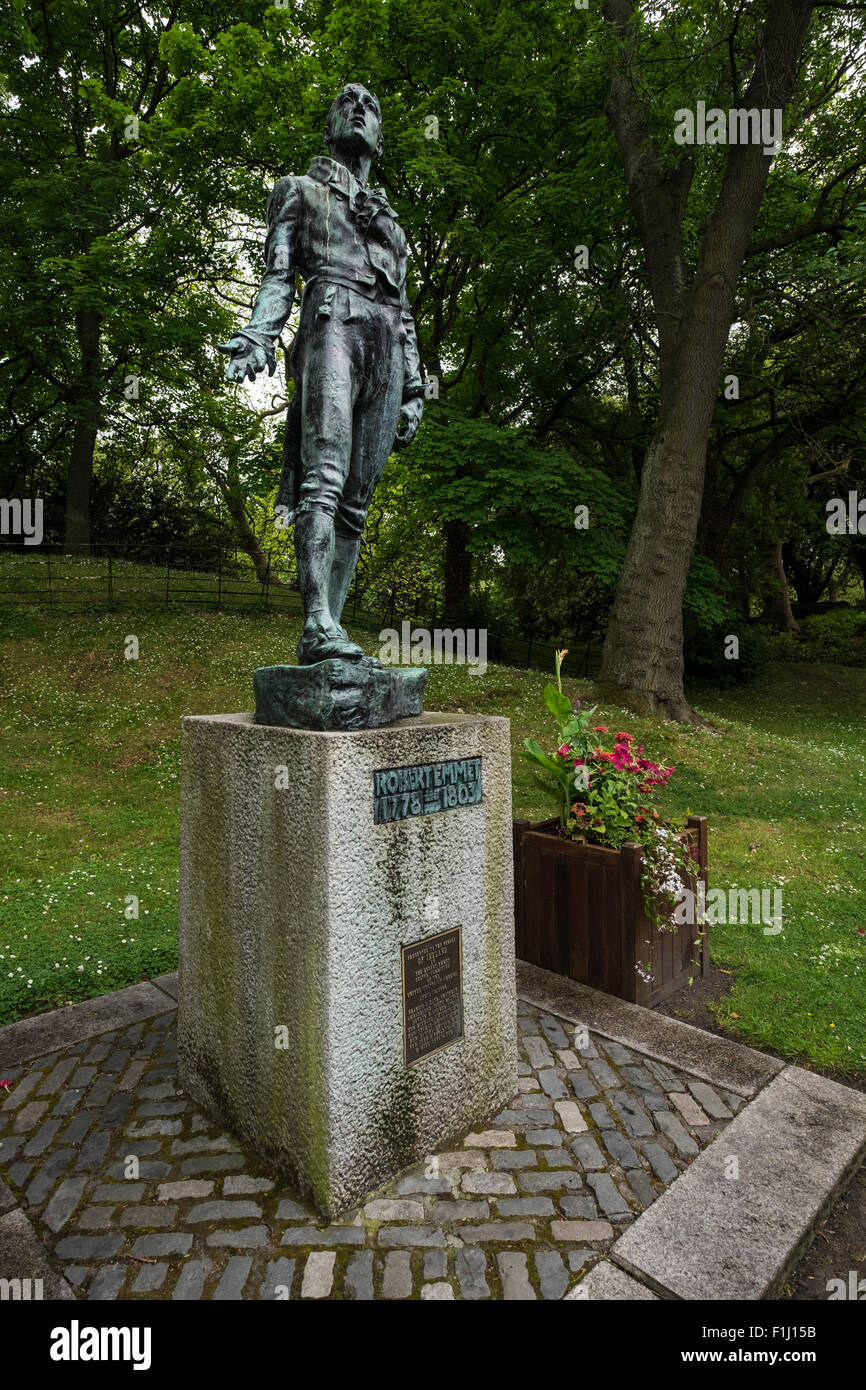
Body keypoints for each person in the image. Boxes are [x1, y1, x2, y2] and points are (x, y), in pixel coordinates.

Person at [220, 83, 424, 664]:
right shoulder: (300, 191)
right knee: (324, 478)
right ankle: (315, 622)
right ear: (331, 123)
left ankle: (331, 632)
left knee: (357, 503)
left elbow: (405, 313)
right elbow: (279, 273)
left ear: (380, 138)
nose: (360, 110)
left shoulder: (394, 227)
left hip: (385, 341)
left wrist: (413, 388)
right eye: (348, 102)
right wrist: (259, 335)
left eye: (373, 106)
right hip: (331, 320)